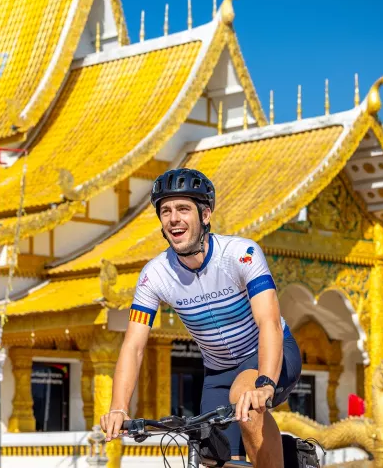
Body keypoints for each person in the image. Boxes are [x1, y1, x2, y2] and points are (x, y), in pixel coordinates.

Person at [99, 168, 302, 468]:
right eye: (165, 211)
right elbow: (134, 346)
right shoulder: (154, 275)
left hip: (268, 354)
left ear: (205, 215)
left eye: (183, 209)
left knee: (244, 396)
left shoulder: (240, 254)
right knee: (213, 457)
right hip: (217, 372)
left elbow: (268, 322)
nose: (173, 218)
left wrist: (265, 384)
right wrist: (118, 408)